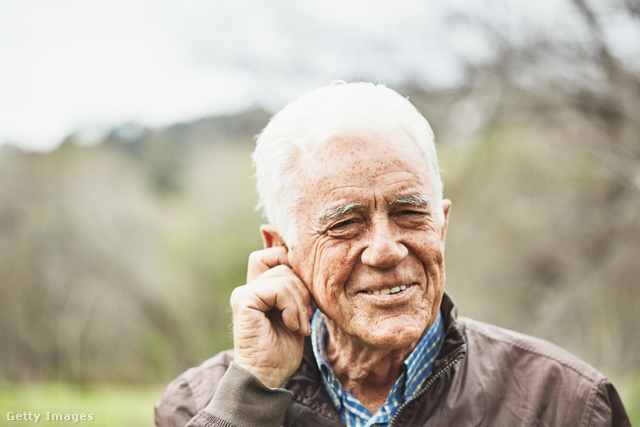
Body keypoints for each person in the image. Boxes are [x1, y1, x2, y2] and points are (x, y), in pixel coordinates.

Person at [155, 82, 630, 426]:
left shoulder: (567, 403)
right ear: (281, 250)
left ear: (441, 225)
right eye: (345, 223)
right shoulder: (199, 405)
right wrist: (252, 394)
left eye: (409, 213)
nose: (385, 250)